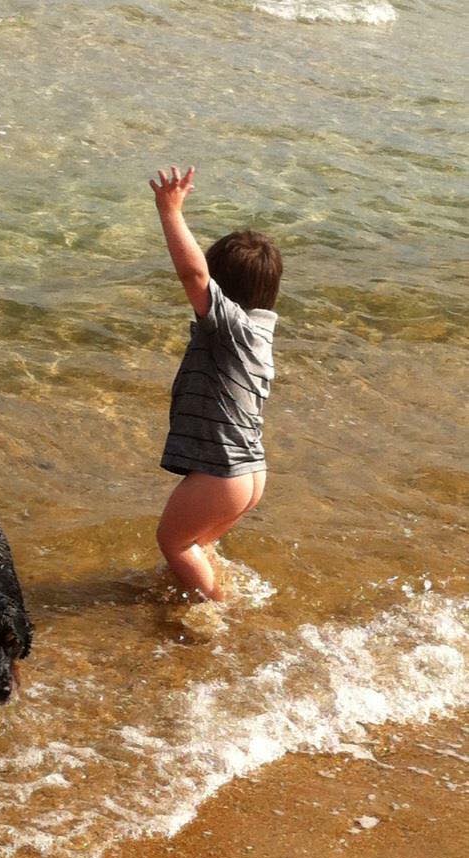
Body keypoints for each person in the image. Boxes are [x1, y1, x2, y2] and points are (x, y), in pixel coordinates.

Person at [150, 165, 282, 602]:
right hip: (248, 473)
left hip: (220, 474)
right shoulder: (259, 333)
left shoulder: (232, 329)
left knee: (174, 543)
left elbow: (193, 276)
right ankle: (205, 599)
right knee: (198, 548)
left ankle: (219, 616)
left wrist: (170, 212)